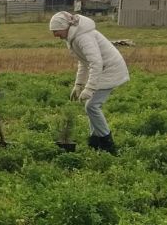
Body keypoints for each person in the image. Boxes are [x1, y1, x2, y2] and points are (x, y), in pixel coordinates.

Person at [49, 11, 129, 154]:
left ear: (65, 27)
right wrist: (79, 84)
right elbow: (83, 62)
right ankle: (95, 142)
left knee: (92, 106)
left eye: (56, 31)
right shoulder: (73, 37)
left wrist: (90, 88)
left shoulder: (83, 37)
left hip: (110, 70)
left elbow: (96, 62)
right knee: (91, 107)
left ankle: (107, 144)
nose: (55, 35)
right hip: (103, 70)